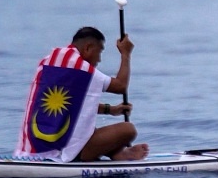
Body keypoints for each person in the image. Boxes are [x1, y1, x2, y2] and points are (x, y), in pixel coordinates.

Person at [14, 27, 149, 162]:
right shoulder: (82, 69)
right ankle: (110, 153)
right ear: (88, 48)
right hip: (66, 153)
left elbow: (70, 104)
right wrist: (125, 54)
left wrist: (110, 110)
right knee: (128, 130)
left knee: (86, 125)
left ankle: (117, 153)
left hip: (30, 149)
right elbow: (121, 86)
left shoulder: (46, 62)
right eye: (100, 51)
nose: (99, 59)